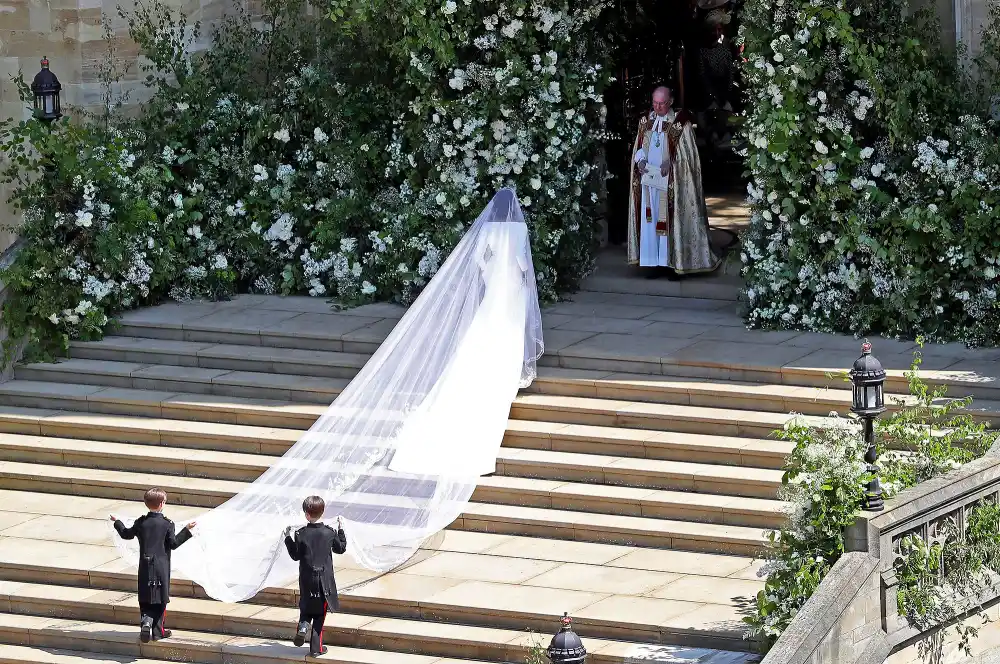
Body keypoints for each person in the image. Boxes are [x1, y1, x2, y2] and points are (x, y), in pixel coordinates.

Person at [627, 86, 722, 276]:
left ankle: (672, 263)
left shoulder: (681, 123)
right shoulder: (646, 120)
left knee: (670, 220)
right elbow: (639, 146)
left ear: (670, 102)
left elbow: (689, 157)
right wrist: (641, 160)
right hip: (648, 182)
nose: (657, 107)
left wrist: (671, 163)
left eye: (662, 103)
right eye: (654, 103)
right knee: (650, 221)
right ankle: (653, 263)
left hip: (671, 183)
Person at [110, 488, 196, 643]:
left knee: (145, 596)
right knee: (161, 598)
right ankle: (157, 631)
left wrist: (117, 522)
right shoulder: (167, 524)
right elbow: (174, 543)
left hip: (145, 565)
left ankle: (146, 621)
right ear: (162, 503)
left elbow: (126, 534)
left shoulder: (141, 522)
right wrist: (187, 530)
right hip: (161, 567)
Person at [284, 495, 348, 657]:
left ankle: (303, 625)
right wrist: (341, 530)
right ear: (323, 512)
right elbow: (340, 549)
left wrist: (287, 538)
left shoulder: (300, 534)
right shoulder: (329, 532)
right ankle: (316, 648)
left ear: (306, 514)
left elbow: (295, 555)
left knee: (306, 605)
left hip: (306, 579)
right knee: (320, 614)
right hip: (323, 581)